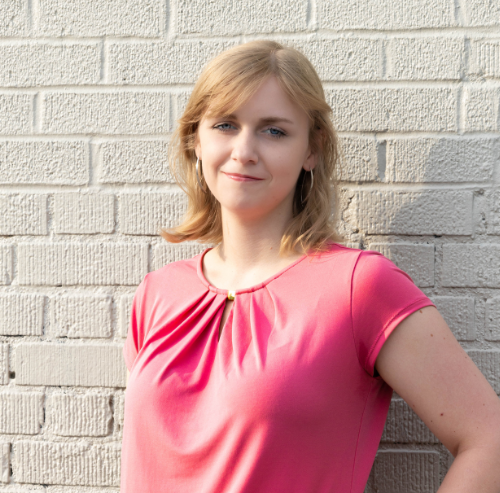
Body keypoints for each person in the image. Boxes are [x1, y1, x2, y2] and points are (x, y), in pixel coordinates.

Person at [121, 40, 500, 492]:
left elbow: (489, 438)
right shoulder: (157, 293)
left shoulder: (357, 287)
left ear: (311, 150)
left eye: (274, 131)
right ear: (195, 141)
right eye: (225, 124)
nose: (244, 150)